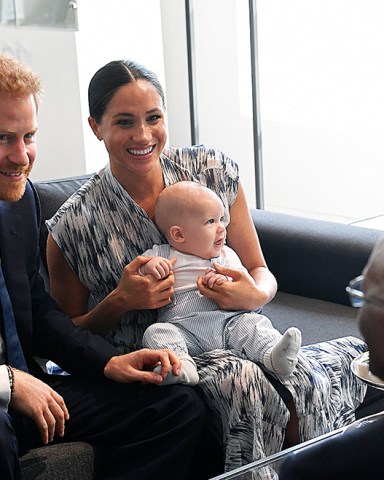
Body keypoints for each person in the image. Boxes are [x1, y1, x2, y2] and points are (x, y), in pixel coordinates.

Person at [46, 58, 368, 476]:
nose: (142, 135)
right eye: (124, 122)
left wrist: (255, 293)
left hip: (237, 328)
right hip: (163, 354)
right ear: (96, 127)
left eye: (153, 118)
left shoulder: (211, 171)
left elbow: (259, 270)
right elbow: (62, 339)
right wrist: (119, 302)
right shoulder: (73, 224)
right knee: (242, 380)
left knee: (323, 365)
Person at [0, 53, 214, 480]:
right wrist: (7, 382)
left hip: (36, 384)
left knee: (174, 406)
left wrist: (109, 363)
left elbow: (40, 313)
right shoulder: (69, 217)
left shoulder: (20, 204)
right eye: (3, 138)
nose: (22, 157)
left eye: (29, 136)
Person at [140, 181, 302, 383]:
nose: (222, 229)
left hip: (228, 323)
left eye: (221, 219)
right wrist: (150, 267)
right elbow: (137, 271)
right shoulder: (162, 254)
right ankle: (181, 365)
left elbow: (244, 284)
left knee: (253, 324)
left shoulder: (226, 255)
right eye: (210, 221)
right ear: (178, 234)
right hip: (182, 328)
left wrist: (224, 281)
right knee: (156, 332)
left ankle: (273, 355)